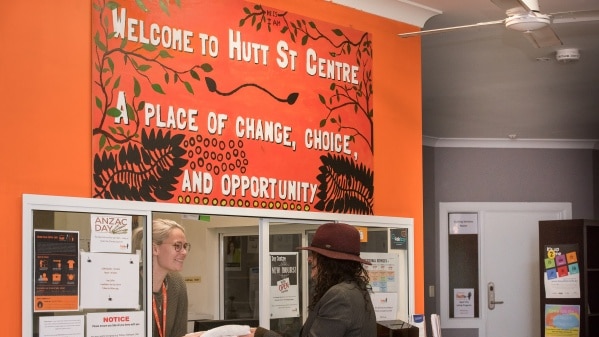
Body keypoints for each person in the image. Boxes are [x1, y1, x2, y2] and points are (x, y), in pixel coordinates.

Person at [250, 222, 377, 337]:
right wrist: (263, 334)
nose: (309, 259)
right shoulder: (355, 288)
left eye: (315, 255)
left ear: (329, 261)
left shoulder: (340, 296)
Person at [133, 219, 191, 337]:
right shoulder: (127, 284)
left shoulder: (177, 283)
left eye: (185, 246)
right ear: (154, 249)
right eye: (177, 246)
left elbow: (179, 333)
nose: (184, 252)